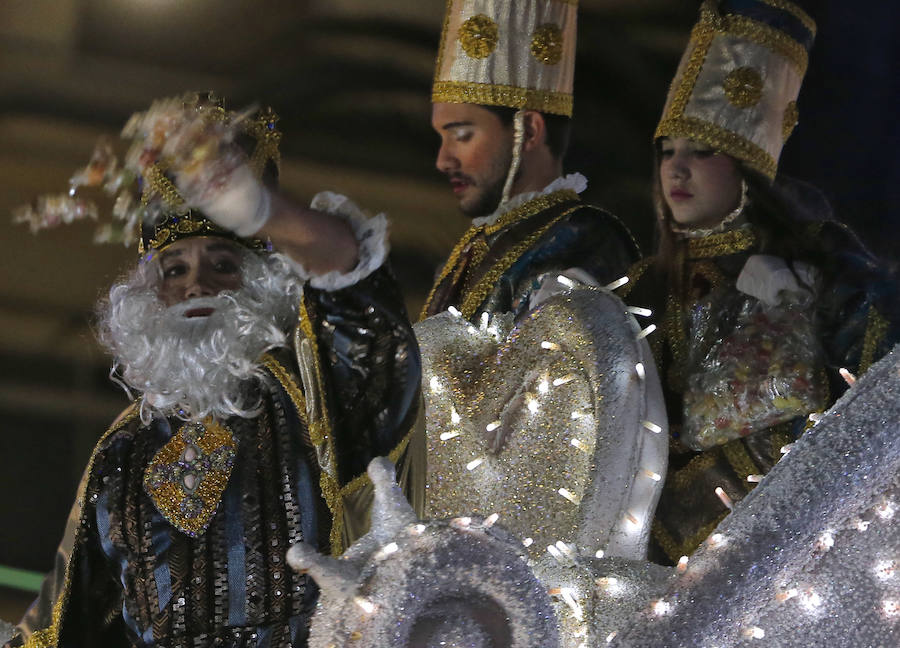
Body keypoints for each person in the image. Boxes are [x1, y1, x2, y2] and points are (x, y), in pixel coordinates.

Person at [5, 96, 423, 647]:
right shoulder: (124, 448)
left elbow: (356, 294)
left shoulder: (316, 391)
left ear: (262, 281)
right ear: (146, 294)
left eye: (222, 265)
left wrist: (263, 211)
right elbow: (59, 626)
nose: (196, 286)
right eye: (174, 269)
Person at [620, 0, 899, 565]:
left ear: (747, 163)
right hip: (638, 559)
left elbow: (863, 424)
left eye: (701, 152)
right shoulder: (640, 291)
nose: (677, 169)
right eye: (667, 151)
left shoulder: (832, 277)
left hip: (784, 559)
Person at [421, 0, 641, 322]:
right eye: (442, 138)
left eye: (463, 135)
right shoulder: (474, 247)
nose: (443, 161)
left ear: (529, 132)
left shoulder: (586, 240)